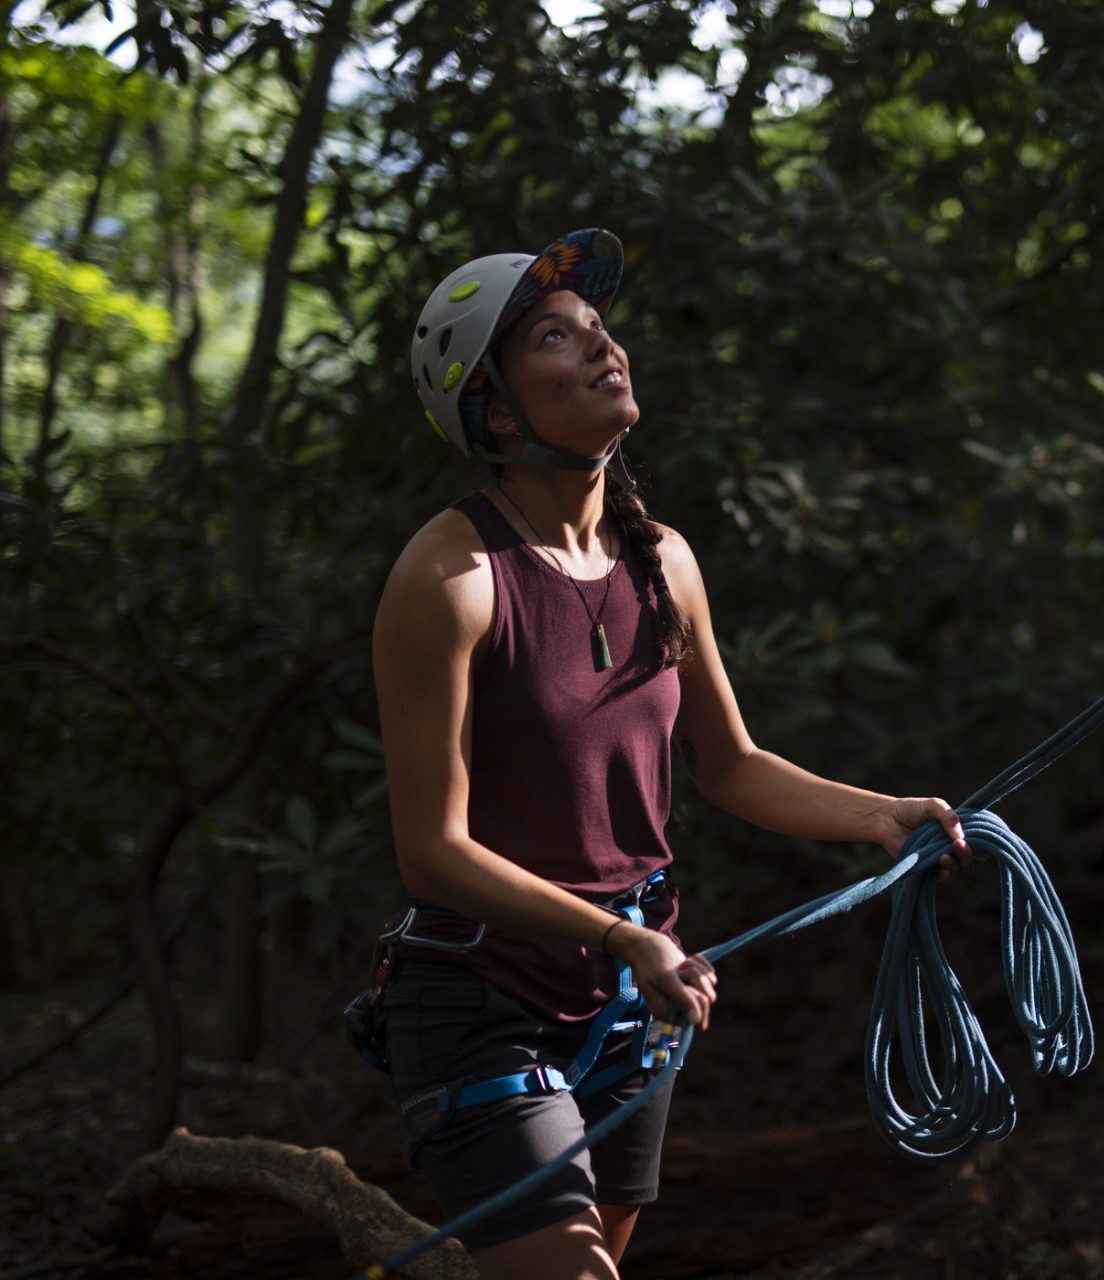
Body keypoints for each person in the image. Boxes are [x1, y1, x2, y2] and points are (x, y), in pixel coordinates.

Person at [371, 228, 973, 1280]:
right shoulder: (451, 577)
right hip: (482, 999)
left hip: (629, 996)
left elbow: (729, 762)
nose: (604, 345)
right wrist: (623, 937)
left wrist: (881, 811)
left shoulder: (662, 561)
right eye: (558, 336)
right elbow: (432, 850)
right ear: (499, 410)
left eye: (601, 326)